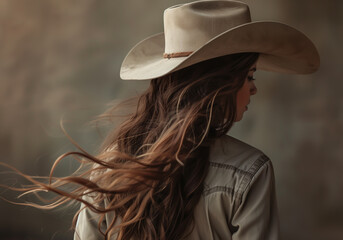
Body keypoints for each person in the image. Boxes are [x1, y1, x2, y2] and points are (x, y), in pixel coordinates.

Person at [6, 1, 319, 240]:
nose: (253, 88)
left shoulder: (111, 166)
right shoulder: (249, 172)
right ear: (219, 83)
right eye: (248, 75)